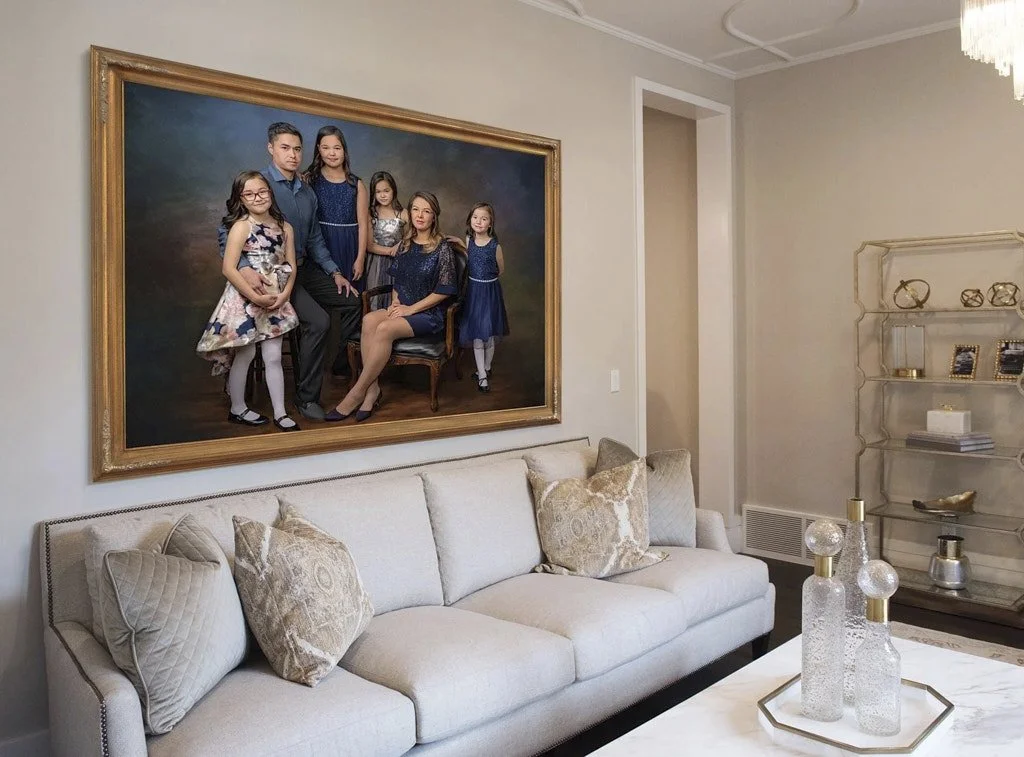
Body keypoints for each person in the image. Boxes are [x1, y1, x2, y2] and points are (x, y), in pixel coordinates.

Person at [222, 122, 362, 421]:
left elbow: (313, 239)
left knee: (351, 301)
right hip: (269, 274)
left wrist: (334, 271)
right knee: (320, 321)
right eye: (285, 148)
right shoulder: (260, 186)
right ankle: (307, 397)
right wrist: (245, 268)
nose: (293, 154)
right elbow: (227, 231)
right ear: (271, 148)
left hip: (302, 267)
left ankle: (342, 367)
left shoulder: (307, 191)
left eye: (297, 148)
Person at [326, 191, 458, 422]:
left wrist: (410, 309)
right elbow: (398, 279)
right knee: (368, 320)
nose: (420, 215)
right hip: (402, 307)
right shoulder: (405, 244)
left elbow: (443, 291)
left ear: (434, 217)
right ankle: (373, 389)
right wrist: (396, 301)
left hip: (427, 314)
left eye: (426, 211)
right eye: (416, 209)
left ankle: (357, 392)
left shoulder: (442, 248)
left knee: (385, 329)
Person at [197, 171, 301, 431]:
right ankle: (238, 408)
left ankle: (280, 413)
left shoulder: (285, 227)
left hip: (275, 297)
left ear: (270, 192)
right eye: (250, 194)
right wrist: (254, 296)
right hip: (245, 298)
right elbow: (229, 268)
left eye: (262, 191)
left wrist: (285, 293)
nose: (258, 198)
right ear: (241, 199)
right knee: (245, 352)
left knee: (274, 356)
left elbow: (290, 264)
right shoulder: (242, 226)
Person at [304, 125, 369, 375]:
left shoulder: (356, 184)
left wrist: (360, 257)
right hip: (320, 244)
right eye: (326, 147)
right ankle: (317, 362)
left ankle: (345, 361)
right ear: (318, 150)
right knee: (323, 308)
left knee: (354, 303)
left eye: (337, 148)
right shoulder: (310, 180)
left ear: (345, 150)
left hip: (350, 244)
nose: (332, 153)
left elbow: (363, 224)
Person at [458, 202, 509, 392]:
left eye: (484, 218)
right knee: (478, 336)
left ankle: (487, 367)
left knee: (489, 335)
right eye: (475, 217)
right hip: (473, 293)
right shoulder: (468, 241)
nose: (479, 222)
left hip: (490, 292)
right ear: (470, 220)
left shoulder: (496, 246)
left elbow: (500, 270)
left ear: (490, 223)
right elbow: (465, 256)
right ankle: (482, 376)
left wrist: (487, 282)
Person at [365, 171, 407, 310]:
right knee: (375, 298)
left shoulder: (403, 213)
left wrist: (401, 243)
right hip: (376, 263)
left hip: (399, 263)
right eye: (378, 192)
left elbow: (415, 234)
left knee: (396, 299)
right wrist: (390, 251)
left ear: (393, 190)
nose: (382, 195)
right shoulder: (371, 213)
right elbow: (369, 245)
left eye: (386, 190)